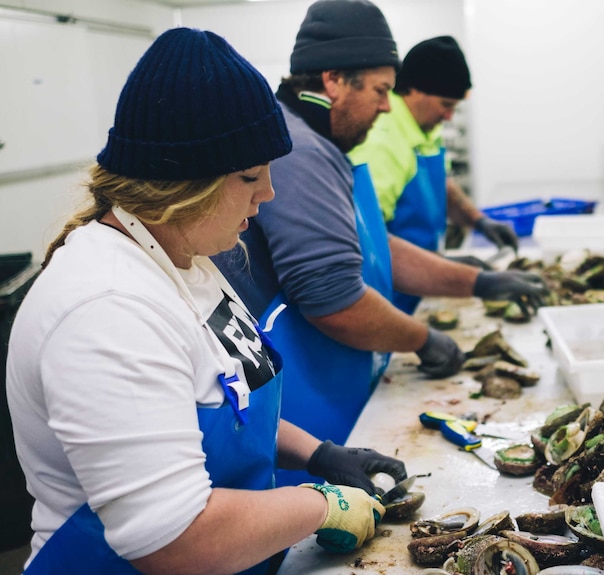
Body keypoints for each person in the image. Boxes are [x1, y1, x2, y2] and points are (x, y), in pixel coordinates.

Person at [5, 28, 407, 575]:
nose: (267, 194)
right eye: (249, 177)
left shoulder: (185, 259)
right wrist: (322, 505)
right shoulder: (105, 310)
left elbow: (223, 400)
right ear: (183, 183)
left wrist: (317, 453)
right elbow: (175, 538)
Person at [213, 0, 547, 487]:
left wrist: (478, 281)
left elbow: (374, 244)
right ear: (333, 80)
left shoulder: (318, 142)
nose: (388, 106)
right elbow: (335, 303)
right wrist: (423, 339)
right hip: (304, 403)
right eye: (380, 90)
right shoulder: (299, 150)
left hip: (331, 389)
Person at [350, 35, 520, 313]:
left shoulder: (425, 126)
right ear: (415, 91)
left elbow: (441, 183)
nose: (449, 116)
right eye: (445, 105)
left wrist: (480, 221)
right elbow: (370, 240)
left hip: (427, 284)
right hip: (394, 297)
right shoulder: (382, 142)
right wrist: (456, 272)